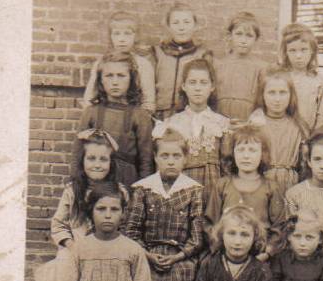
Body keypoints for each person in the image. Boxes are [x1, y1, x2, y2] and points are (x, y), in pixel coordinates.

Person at [123, 128, 204, 281]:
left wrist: (178, 256)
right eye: (165, 156)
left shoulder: (193, 190)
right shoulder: (143, 189)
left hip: (181, 257)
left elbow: (197, 237)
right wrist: (147, 255)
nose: (171, 161)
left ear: (185, 159)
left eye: (176, 156)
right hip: (147, 254)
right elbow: (131, 231)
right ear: (156, 158)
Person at [36, 130, 127, 281]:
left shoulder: (119, 192)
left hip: (107, 246)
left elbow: (122, 224)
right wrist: (71, 244)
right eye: (91, 158)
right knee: (67, 268)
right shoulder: (72, 190)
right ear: (82, 161)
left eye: (103, 159)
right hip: (75, 246)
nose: (97, 164)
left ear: (111, 163)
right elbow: (58, 224)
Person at [74, 51, 154, 186]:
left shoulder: (140, 116)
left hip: (127, 180)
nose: (115, 82)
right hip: (94, 180)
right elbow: (77, 154)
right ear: (101, 80)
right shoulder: (91, 113)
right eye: (109, 76)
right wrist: (77, 185)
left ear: (131, 79)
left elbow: (146, 160)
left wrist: (142, 193)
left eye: (121, 76)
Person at [153, 58, 230, 194]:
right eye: (192, 82)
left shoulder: (221, 124)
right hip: (180, 193)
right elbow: (162, 169)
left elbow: (227, 169)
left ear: (212, 87)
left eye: (203, 83)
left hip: (212, 193)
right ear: (184, 86)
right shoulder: (171, 124)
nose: (198, 88)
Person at [205, 124, 285, 232]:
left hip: (260, 246)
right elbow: (210, 224)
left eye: (252, 150)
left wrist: (267, 247)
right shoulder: (222, 185)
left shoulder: (271, 187)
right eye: (241, 150)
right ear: (233, 153)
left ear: (263, 154)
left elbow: (279, 227)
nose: (246, 156)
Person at [248, 68, 308, 196]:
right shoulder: (255, 124)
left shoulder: (298, 126)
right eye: (271, 93)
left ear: (291, 95)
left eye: (282, 93)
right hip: (260, 185)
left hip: (291, 187)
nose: (277, 99)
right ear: (262, 95)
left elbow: (304, 166)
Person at [82, 11, 157, 113]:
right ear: (110, 36)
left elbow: (149, 102)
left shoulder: (143, 65)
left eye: (127, 34)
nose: (122, 39)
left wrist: (137, 121)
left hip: (133, 119)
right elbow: (89, 99)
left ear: (135, 36)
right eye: (117, 34)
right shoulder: (101, 63)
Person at [153, 2, 211, 120]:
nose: (181, 27)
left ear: (195, 25)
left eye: (186, 22)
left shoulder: (202, 54)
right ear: (168, 26)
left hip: (190, 115)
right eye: (175, 23)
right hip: (160, 115)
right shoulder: (157, 53)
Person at [213, 11, 269, 123]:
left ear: (256, 39)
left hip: (247, 124)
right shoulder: (218, 65)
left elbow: (264, 102)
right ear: (230, 36)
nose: (243, 41)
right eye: (239, 34)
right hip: (219, 122)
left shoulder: (261, 68)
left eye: (249, 36)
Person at [278, 23, 323, 130]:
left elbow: (322, 115)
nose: (298, 56)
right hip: (282, 131)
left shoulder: (319, 81)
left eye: (303, 50)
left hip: (307, 133)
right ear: (286, 53)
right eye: (292, 50)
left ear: (312, 51)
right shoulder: (279, 78)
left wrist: (315, 136)